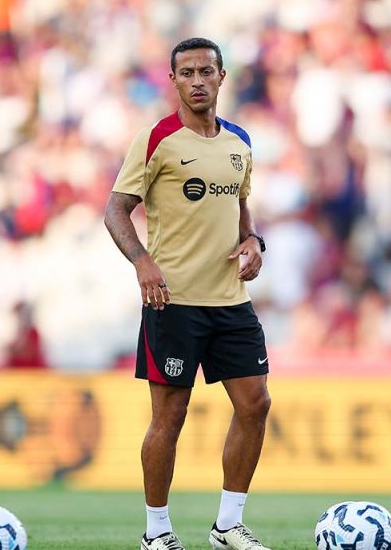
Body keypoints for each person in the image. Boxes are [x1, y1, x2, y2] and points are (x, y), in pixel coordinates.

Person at [104, 37, 272, 550]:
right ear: (173, 81)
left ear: (222, 78)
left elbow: (241, 211)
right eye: (187, 73)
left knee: (256, 404)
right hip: (172, 303)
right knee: (169, 417)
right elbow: (115, 210)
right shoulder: (157, 139)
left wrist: (253, 242)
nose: (197, 80)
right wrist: (142, 261)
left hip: (230, 302)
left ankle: (228, 527)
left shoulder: (240, 141)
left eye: (206, 71)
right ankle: (157, 534)